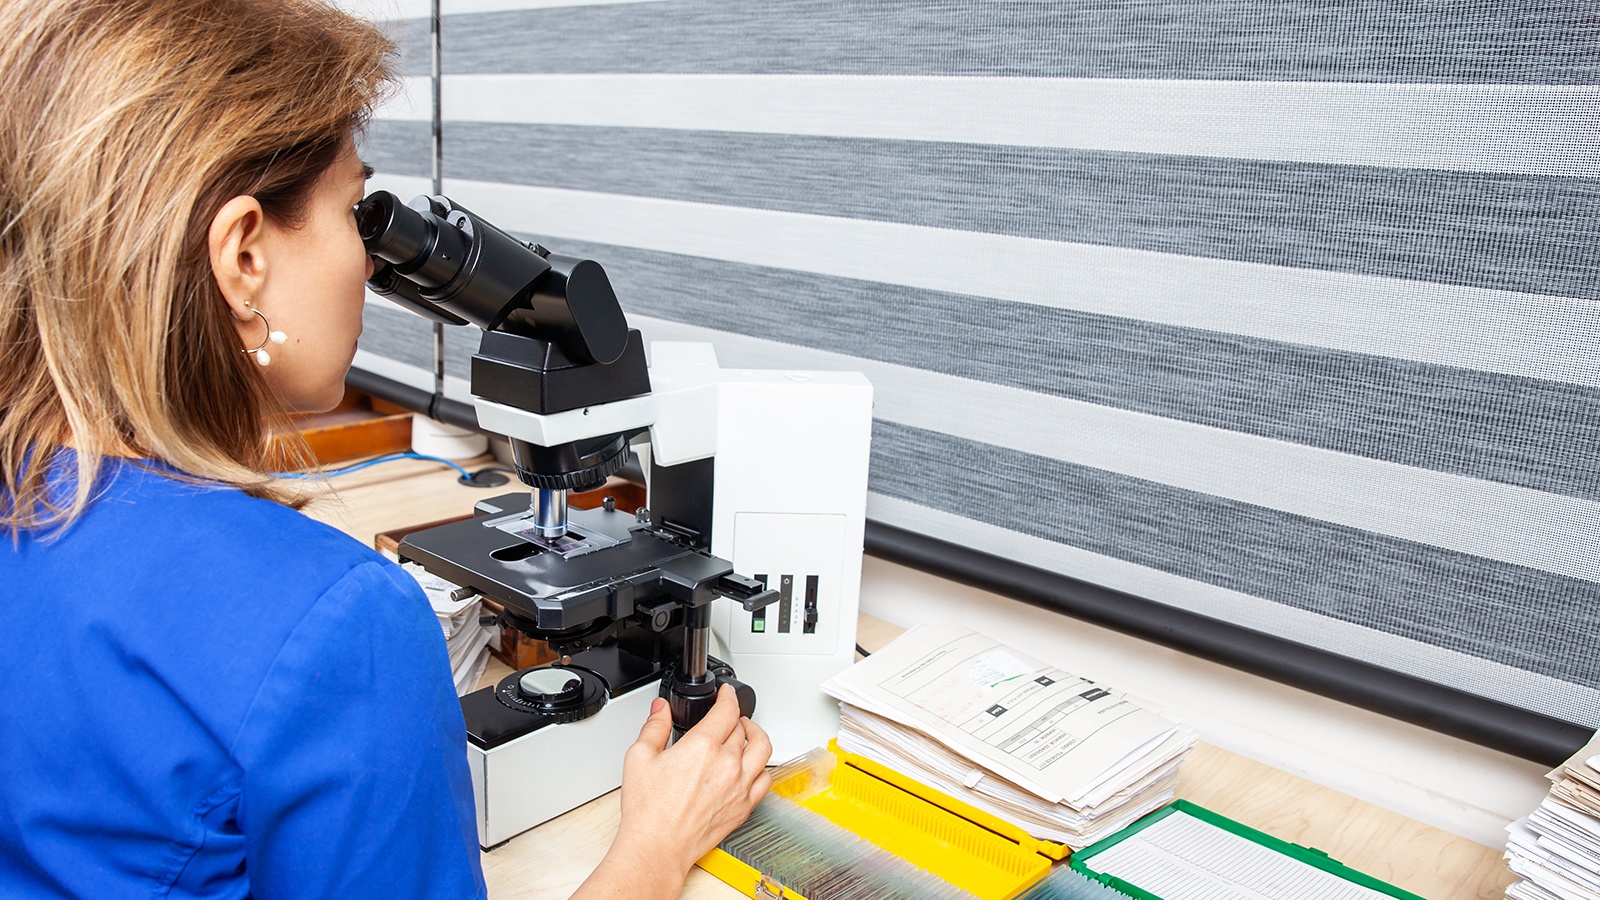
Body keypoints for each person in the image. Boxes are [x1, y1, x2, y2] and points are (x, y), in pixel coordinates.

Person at [0, 1, 771, 897]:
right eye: (349, 210)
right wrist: (656, 844)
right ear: (244, 257)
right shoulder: (335, 623)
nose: (371, 262)